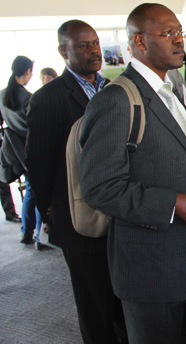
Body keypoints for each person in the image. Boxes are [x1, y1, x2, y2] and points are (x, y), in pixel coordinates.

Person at [78, 3, 186, 344]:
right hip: (150, 266)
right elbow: (100, 187)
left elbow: (178, 152)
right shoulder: (116, 100)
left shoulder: (171, 88)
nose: (179, 41)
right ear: (140, 42)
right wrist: (173, 204)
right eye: (168, 33)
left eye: (180, 33)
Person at [25, 20, 127, 343]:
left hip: (117, 210)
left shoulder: (113, 88)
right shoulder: (48, 99)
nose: (93, 51)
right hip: (77, 216)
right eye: (82, 46)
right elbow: (38, 164)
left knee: (122, 297)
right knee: (94, 303)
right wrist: (51, 210)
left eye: (95, 43)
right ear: (63, 51)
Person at [0, 56, 51, 250]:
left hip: (14, 151)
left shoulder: (2, 95)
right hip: (32, 150)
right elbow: (38, 128)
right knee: (39, 192)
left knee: (31, 191)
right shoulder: (29, 98)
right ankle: (38, 236)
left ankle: (26, 232)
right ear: (28, 72)